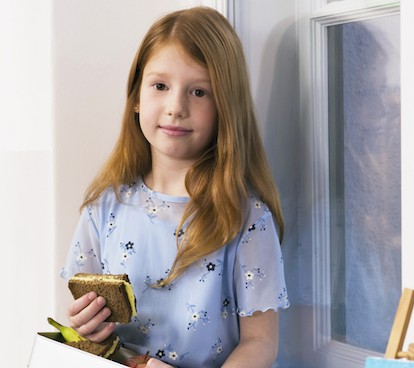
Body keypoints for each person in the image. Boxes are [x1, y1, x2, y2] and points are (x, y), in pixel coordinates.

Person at [59, 7, 289, 368]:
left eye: (199, 91)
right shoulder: (103, 209)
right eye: (160, 86)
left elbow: (260, 342)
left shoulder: (247, 218)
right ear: (136, 96)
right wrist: (86, 329)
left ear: (226, 107)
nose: (176, 107)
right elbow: (88, 329)